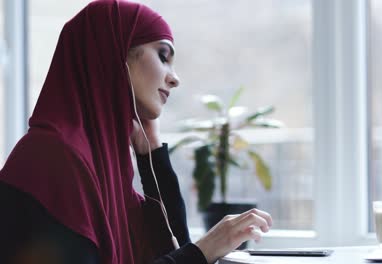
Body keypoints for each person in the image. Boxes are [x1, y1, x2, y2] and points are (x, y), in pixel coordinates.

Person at [0, 1, 273, 264]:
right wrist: (205, 249)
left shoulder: (105, 166)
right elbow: (188, 255)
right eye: (163, 56)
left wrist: (151, 153)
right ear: (115, 54)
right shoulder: (50, 158)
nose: (174, 78)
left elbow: (172, 247)